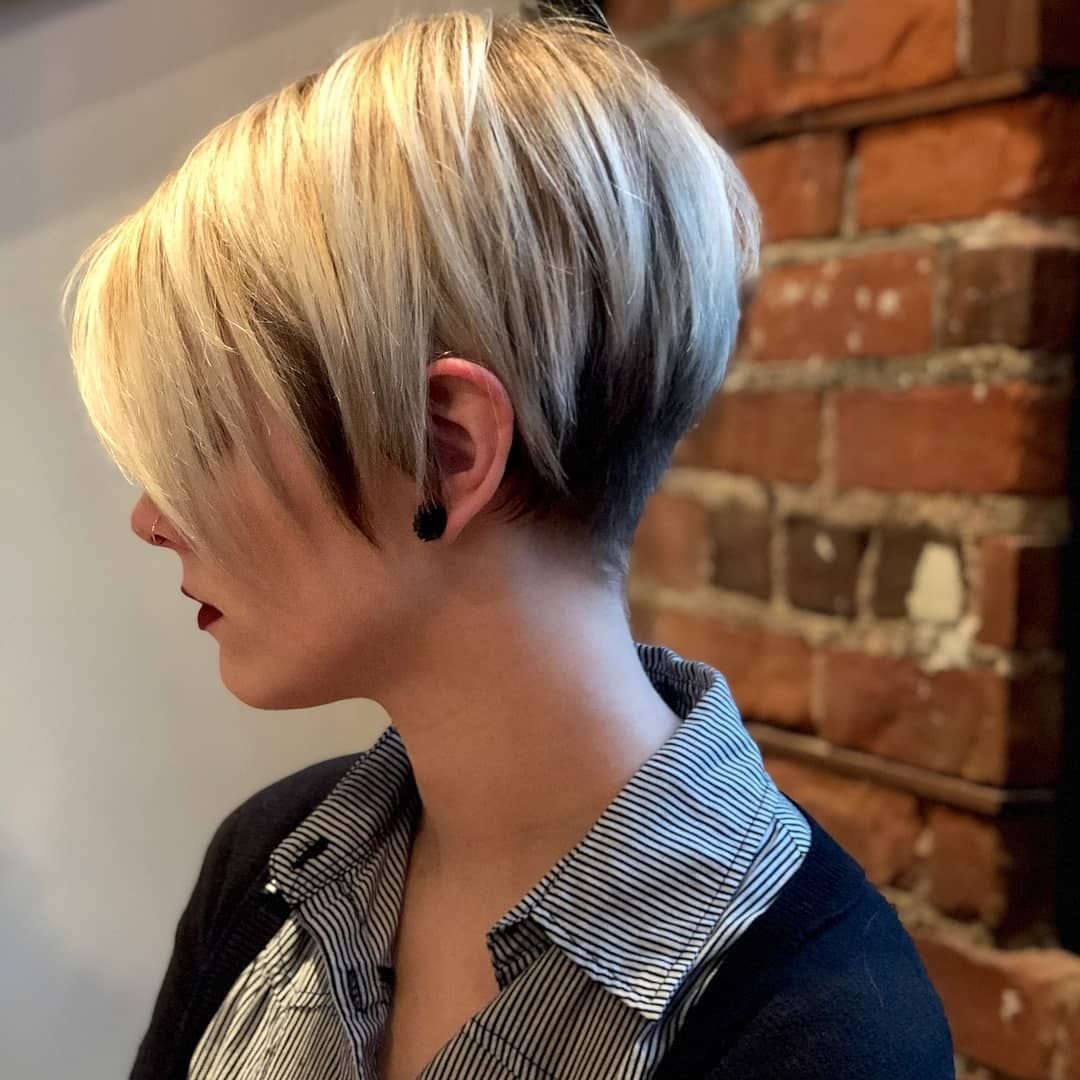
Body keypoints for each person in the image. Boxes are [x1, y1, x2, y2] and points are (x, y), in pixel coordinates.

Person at [63, 9, 954, 1079]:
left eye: (200, 439)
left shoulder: (824, 1031)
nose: (151, 518)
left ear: (444, 450)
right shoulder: (270, 864)